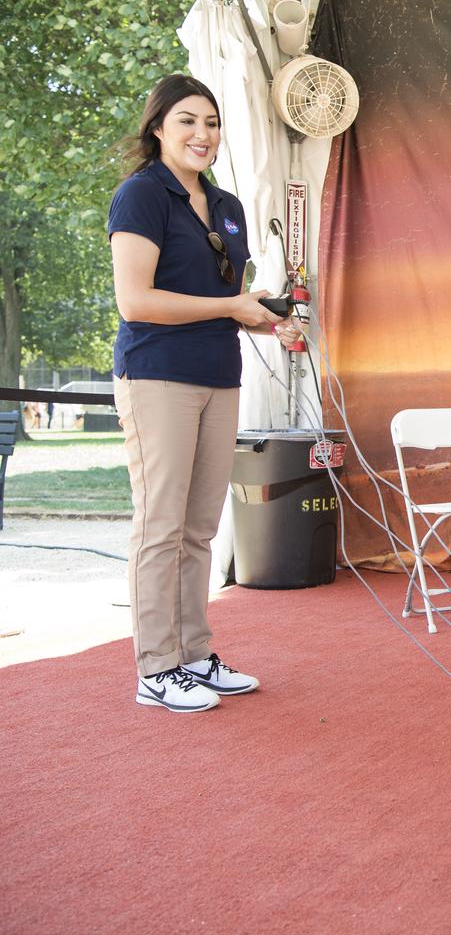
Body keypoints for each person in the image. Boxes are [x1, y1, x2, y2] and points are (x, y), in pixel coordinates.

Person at [109, 74, 301, 712]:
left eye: (212, 123)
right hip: (157, 373)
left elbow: (225, 302)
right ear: (158, 127)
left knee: (199, 527)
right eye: (187, 121)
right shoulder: (141, 196)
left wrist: (269, 320)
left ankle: (193, 654)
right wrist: (235, 305)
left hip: (220, 374)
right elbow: (136, 301)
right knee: (159, 526)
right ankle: (155, 667)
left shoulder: (226, 207)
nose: (202, 134)